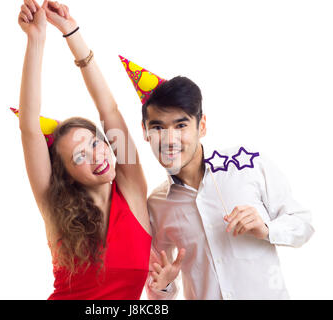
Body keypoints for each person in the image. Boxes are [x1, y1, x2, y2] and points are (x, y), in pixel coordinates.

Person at [119, 59, 315, 299]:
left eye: (181, 125)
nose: (170, 140)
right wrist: (163, 286)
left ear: (201, 126)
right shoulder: (156, 205)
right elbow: (157, 287)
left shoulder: (248, 164)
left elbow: (304, 224)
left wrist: (266, 229)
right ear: (145, 132)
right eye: (158, 128)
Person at [17, 0, 152, 299]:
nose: (96, 155)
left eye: (95, 143)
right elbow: (29, 128)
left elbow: (110, 110)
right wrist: (36, 40)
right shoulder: (55, 209)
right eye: (80, 156)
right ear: (66, 175)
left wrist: (70, 31)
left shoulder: (131, 189)